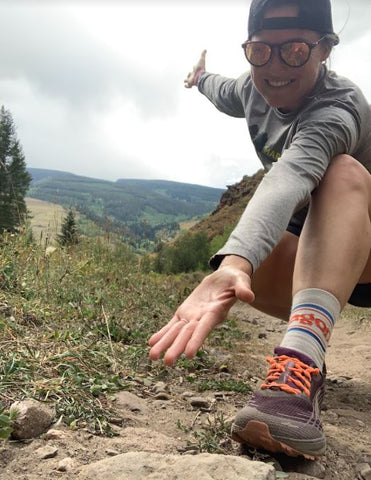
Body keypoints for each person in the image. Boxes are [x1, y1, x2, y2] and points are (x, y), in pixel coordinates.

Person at [149, 0, 371, 460]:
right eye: (260, 51)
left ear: (326, 49)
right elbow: (221, 89)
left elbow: (290, 174)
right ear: (248, 50)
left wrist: (233, 261)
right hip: (313, 256)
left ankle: (300, 358)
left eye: (294, 50)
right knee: (256, 261)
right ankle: (304, 360)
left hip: (365, 250)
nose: (274, 68)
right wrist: (198, 79)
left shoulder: (339, 105)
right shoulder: (252, 86)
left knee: (342, 172)